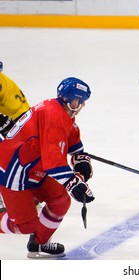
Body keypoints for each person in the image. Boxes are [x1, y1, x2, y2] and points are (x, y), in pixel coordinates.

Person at [0, 77, 95, 258]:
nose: (82, 105)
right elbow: (54, 163)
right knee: (24, 225)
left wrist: (80, 160)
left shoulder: (61, 111)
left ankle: (39, 243)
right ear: (71, 100)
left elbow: (72, 141)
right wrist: (73, 183)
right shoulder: (53, 116)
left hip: (34, 165)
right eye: (79, 101)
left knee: (60, 201)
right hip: (14, 169)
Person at [0, 61, 31, 213]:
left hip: (14, 121)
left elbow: (26, 121)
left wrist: (11, 129)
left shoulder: (8, 89)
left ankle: (27, 186)